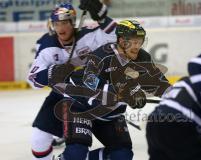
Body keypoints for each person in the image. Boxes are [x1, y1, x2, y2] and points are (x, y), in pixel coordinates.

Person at [52, 19, 171, 160]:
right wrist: (126, 93)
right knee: (76, 153)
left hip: (110, 113)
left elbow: (158, 83)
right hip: (79, 105)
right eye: (132, 41)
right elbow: (92, 97)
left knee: (122, 155)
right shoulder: (99, 56)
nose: (136, 46)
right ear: (120, 41)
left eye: (139, 41)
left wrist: (179, 97)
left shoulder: (142, 58)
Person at [27, 0, 117, 159]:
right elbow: (33, 80)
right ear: (52, 25)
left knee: (86, 149)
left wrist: (102, 17)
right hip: (61, 96)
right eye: (57, 23)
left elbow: (117, 36)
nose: (61, 28)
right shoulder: (47, 45)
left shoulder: (89, 35)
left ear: (73, 23)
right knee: (38, 140)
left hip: (91, 96)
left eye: (65, 23)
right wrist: (52, 73)